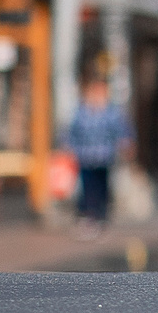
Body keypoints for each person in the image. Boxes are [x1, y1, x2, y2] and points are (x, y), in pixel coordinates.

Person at [66, 76, 134, 230]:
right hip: (85, 156)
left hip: (104, 157)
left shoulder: (111, 112)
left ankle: (101, 216)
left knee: (102, 186)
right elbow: (71, 131)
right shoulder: (81, 111)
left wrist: (126, 144)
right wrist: (68, 147)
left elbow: (122, 130)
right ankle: (87, 215)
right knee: (87, 186)